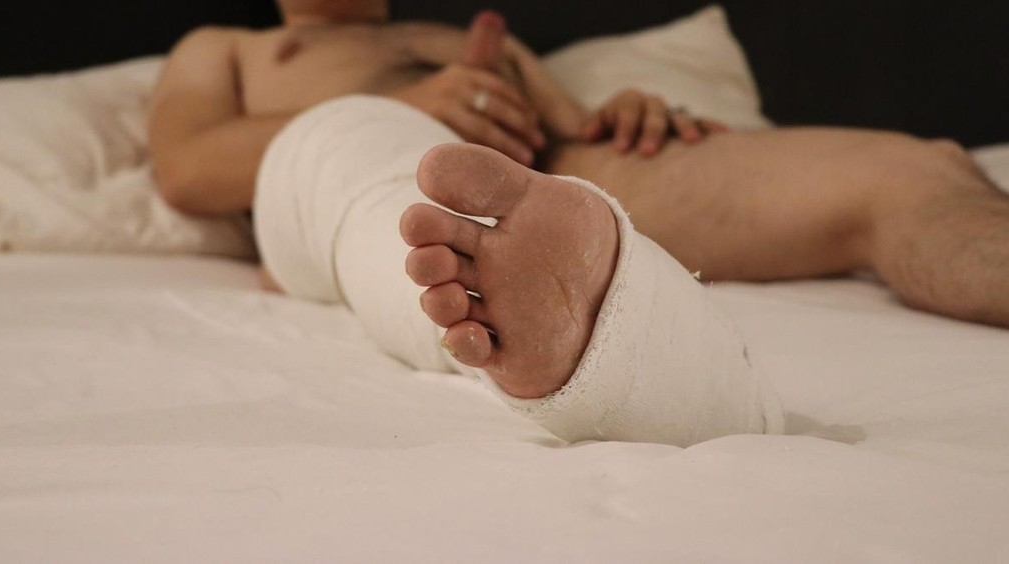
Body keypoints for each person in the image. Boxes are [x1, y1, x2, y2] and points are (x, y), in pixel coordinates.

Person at [148, 0, 1009, 442]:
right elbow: (185, 168)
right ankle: (543, 310)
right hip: (357, 165)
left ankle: (556, 278)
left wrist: (630, 110)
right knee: (400, 187)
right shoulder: (226, 48)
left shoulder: (461, 34)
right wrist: (415, 102)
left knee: (916, 169)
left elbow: (571, 128)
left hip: (550, 175)